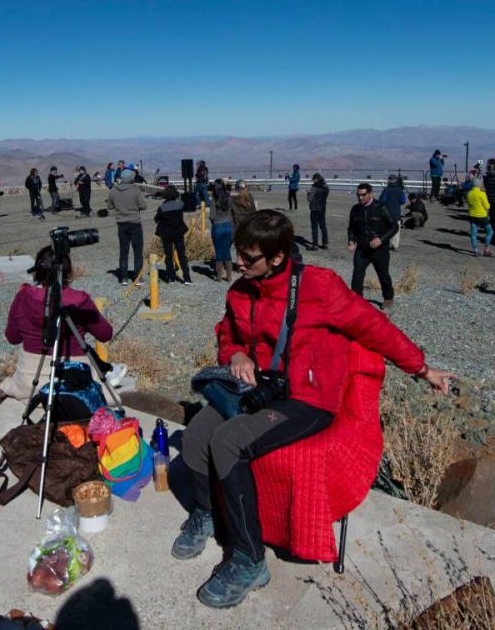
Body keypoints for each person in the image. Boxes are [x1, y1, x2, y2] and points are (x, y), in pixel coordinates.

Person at [173, 210, 456, 608]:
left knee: (228, 441)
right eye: (238, 253)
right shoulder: (240, 291)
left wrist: (422, 369)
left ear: (277, 257)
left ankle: (250, 559)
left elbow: (375, 327)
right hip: (256, 391)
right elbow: (227, 332)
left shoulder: (318, 287)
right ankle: (206, 512)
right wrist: (235, 353)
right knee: (200, 432)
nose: (238, 262)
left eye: (248, 257)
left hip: (306, 400)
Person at [0, 245, 114, 399]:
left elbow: (13, 338)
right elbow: (105, 334)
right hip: (73, 380)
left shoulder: (23, 296)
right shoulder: (78, 300)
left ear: (38, 269)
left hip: (29, 381)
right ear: (67, 270)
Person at [348, 182, 398, 306]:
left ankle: (388, 298)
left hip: (379, 250)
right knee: (357, 275)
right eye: (358, 195)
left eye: (363, 195)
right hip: (362, 249)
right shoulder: (355, 209)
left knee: (383, 275)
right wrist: (351, 240)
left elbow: (394, 226)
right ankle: (356, 300)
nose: (360, 198)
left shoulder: (381, 207)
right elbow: (351, 228)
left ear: (370, 194)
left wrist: (381, 239)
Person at [107, 168, 150, 284]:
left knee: (123, 251)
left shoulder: (113, 190)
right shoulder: (135, 190)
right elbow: (144, 206)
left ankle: (123, 277)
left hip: (121, 224)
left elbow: (110, 206)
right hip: (135, 223)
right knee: (137, 252)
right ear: (132, 178)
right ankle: (138, 277)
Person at [154, 186, 194, 283]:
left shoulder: (162, 207)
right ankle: (187, 278)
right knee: (182, 255)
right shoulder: (180, 204)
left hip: (166, 233)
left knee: (169, 255)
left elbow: (157, 219)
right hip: (178, 232)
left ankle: (171, 277)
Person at [210, 180, 236, 281]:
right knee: (227, 251)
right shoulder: (229, 197)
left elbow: (212, 216)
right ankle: (229, 276)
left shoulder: (214, 199)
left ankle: (219, 277)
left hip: (218, 226)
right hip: (229, 226)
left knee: (219, 252)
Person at [464, 177, 493, 256]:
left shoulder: (469, 193)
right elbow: (487, 206)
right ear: (479, 185)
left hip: (472, 216)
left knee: (473, 234)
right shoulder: (482, 194)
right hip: (482, 216)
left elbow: (469, 204)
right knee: (490, 231)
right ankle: (486, 249)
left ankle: (476, 251)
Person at [378, 176, 408, 250]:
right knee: (396, 230)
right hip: (397, 212)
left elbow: (383, 201)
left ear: (389, 181)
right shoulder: (400, 190)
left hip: (387, 213)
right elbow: (403, 200)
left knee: (386, 229)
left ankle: (386, 243)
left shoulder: (386, 190)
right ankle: (395, 245)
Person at [306, 173, 329, 249]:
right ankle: (325, 244)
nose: (313, 181)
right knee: (323, 226)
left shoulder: (314, 187)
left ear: (316, 179)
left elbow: (310, 199)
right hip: (322, 208)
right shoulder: (326, 187)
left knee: (314, 227)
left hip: (315, 209)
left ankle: (315, 245)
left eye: (314, 179)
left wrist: (308, 193)